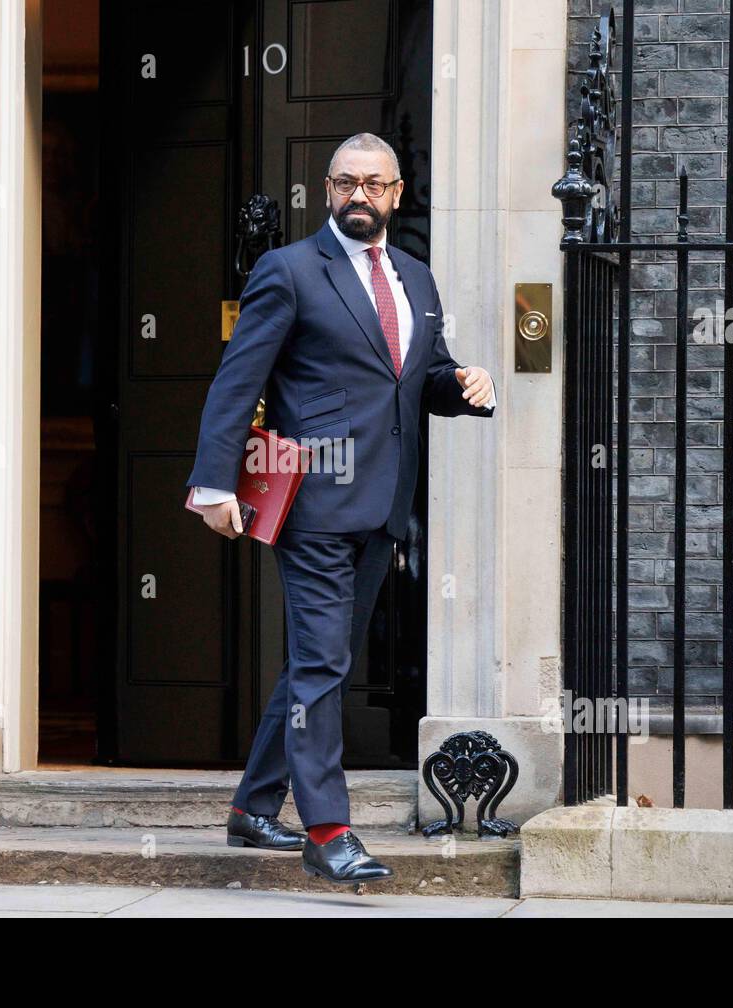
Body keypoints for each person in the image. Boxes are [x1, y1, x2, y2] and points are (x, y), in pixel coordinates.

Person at [185, 133, 495, 884]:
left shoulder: (417, 279)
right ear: (327, 191)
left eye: (375, 185)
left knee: (316, 665)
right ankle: (327, 831)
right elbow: (237, 381)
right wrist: (214, 483)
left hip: (384, 506)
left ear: (396, 195)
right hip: (317, 502)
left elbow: (417, 379)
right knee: (322, 664)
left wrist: (464, 385)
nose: (361, 195)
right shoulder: (288, 271)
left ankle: (254, 807)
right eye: (347, 183)